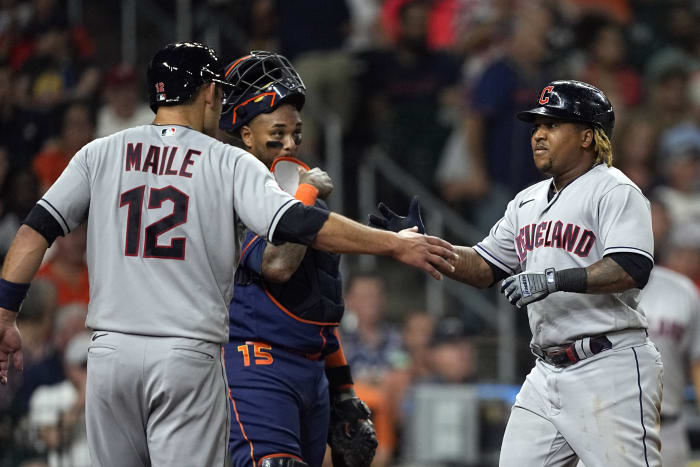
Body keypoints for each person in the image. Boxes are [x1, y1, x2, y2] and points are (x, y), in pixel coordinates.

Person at [0, 42, 456, 467]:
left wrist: (5, 317)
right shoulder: (226, 161)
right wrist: (395, 243)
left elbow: (32, 233)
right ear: (207, 92)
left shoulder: (99, 152)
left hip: (111, 354)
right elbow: (294, 230)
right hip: (189, 355)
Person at [371, 80, 662, 466]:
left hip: (609, 367)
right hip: (546, 372)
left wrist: (553, 280)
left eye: (553, 124)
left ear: (588, 137)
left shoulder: (613, 190)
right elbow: (484, 266)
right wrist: (427, 245)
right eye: (537, 126)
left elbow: (632, 266)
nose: (539, 134)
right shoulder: (526, 201)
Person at [217, 51, 376, 467]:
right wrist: (305, 196)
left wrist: (344, 392)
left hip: (310, 374)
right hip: (255, 365)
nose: (290, 144)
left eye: (297, 134)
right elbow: (277, 264)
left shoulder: (305, 203)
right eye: (278, 133)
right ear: (247, 135)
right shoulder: (230, 193)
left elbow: (321, 312)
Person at [641, 200, 700, 467]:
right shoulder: (597, 288)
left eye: (658, 220)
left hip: (670, 428)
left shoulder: (684, 290)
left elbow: (697, 362)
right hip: (608, 424)